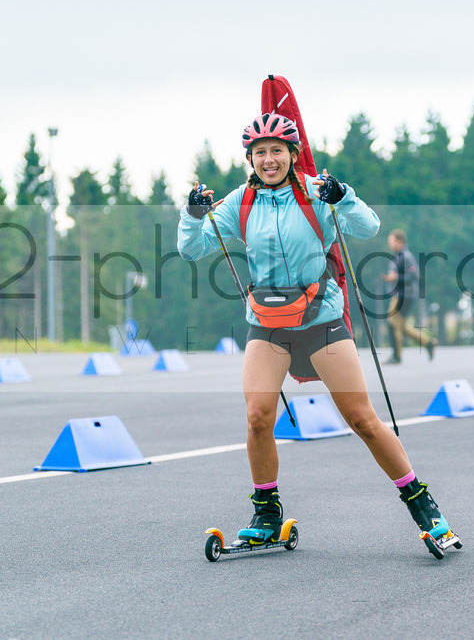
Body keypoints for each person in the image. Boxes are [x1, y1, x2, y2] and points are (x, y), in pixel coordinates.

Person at [177, 112, 454, 549]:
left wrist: (342, 197)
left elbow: (367, 227)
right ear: (250, 158)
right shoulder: (239, 204)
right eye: (260, 153)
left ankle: (423, 504)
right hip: (267, 324)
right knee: (257, 416)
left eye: (277, 151)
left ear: (293, 154)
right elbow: (191, 249)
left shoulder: (314, 194)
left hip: (321, 319)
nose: (269, 160)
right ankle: (267, 512)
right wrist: (193, 214)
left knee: (362, 419)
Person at [383, 229, 438, 364]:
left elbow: (415, 275)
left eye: (392, 241)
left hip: (405, 295)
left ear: (400, 241)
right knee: (400, 325)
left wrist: (397, 277)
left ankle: (397, 356)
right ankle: (428, 343)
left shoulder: (406, 256)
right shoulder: (396, 256)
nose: (390, 244)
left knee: (393, 324)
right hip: (398, 294)